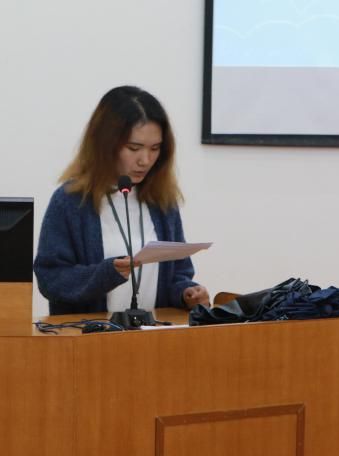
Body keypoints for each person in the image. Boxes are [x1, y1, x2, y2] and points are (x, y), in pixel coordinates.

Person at [34, 86, 209, 315]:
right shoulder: (70, 201)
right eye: (134, 148)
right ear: (105, 144)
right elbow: (50, 278)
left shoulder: (161, 201)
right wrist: (107, 273)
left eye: (155, 148)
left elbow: (178, 273)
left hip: (154, 332)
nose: (145, 160)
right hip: (89, 334)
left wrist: (186, 292)